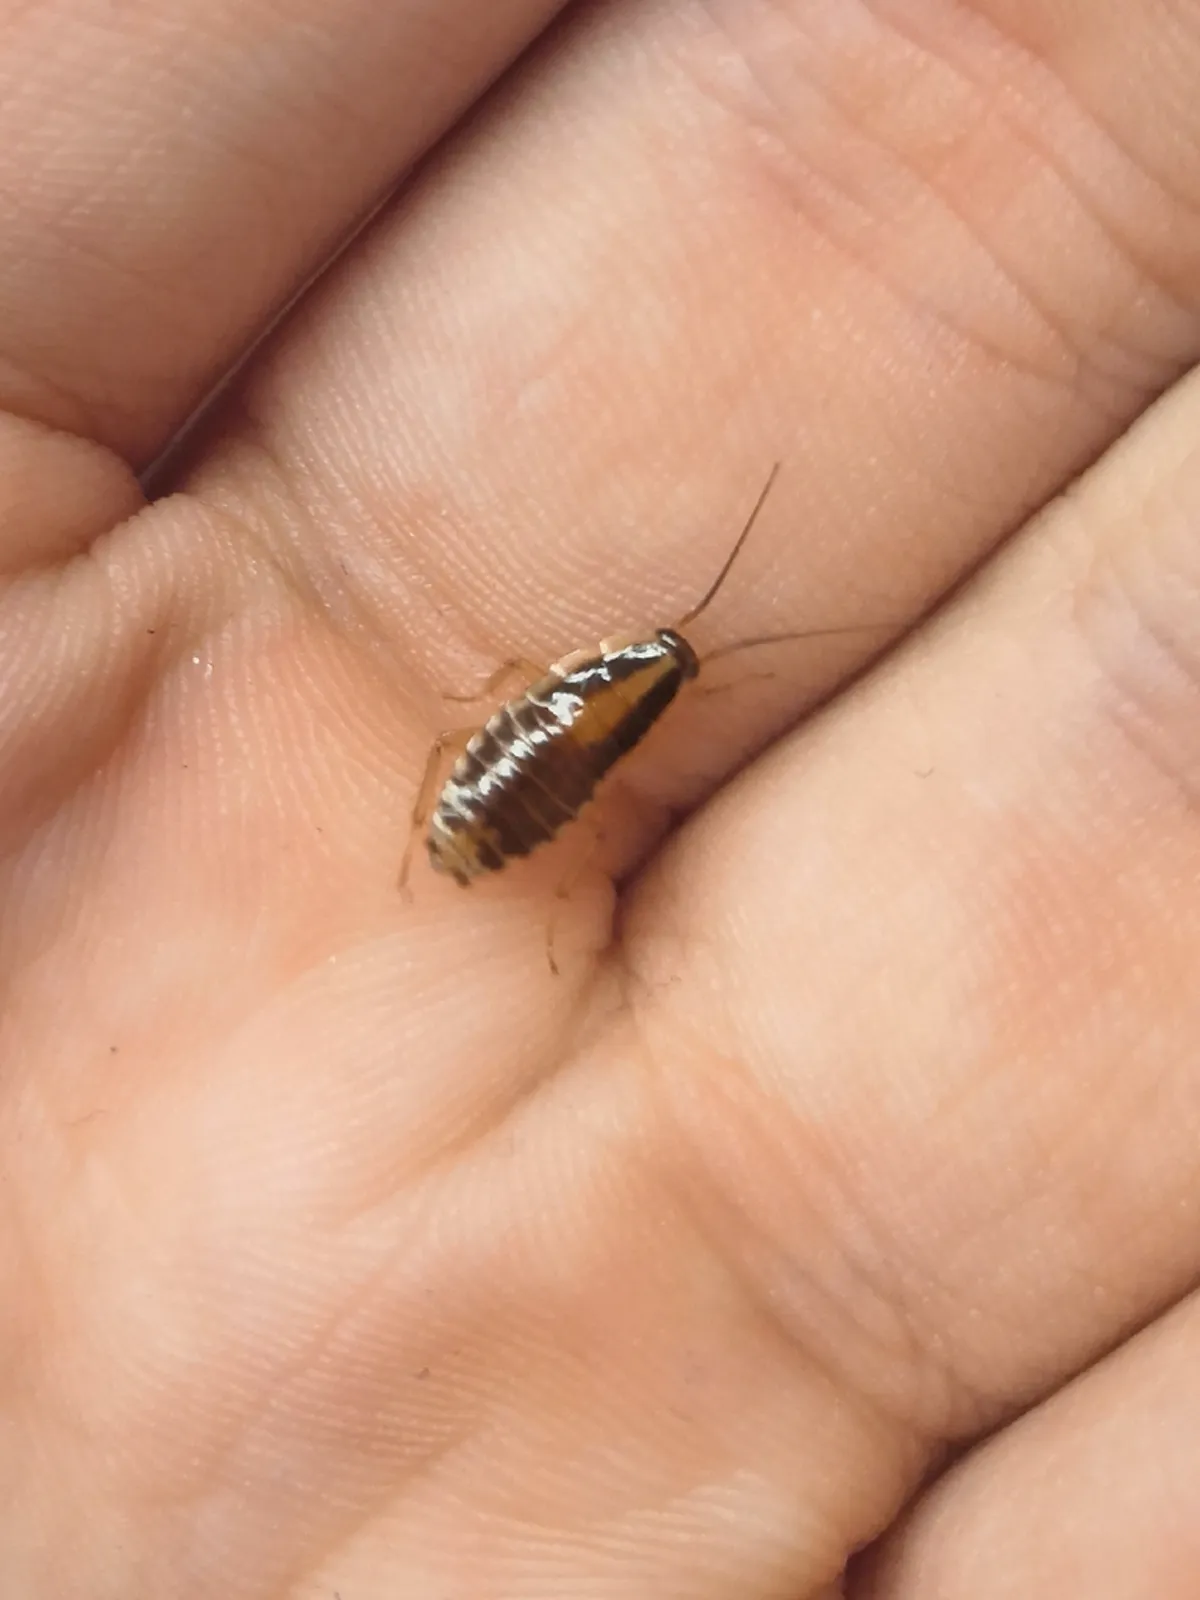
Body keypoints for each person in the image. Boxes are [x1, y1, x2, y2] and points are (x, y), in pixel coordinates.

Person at [3, 1, 1200, 1594]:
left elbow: (542, 704)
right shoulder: (586, 710)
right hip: (509, 786)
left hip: (515, 778)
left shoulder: (584, 708)